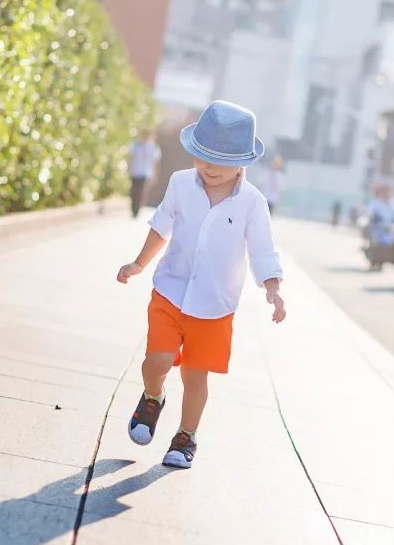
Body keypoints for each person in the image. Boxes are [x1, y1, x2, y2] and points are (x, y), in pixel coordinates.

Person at [116, 100, 286, 469]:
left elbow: (262, 250)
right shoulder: (180, 184)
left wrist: (272, 287)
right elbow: (161, 226)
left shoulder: (253, 203)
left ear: (242, 161)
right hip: (171, 291)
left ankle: (185, 436)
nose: (208, 167)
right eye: (202, 156)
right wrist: (139, 263)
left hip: (214, 305)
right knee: (155, 361)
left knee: (195, 377)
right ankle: (152, 397)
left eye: (220, 160)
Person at [128, 131, 162, 218]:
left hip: (146, 173)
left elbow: (156, 162)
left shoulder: (153, 148)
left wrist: (155, 174)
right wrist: (129, 168)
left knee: (141, 191)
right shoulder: (135, 145)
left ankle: (137, 210)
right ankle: (133, 208)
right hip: (135, 171)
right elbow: (130, 157)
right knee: (133, 191)